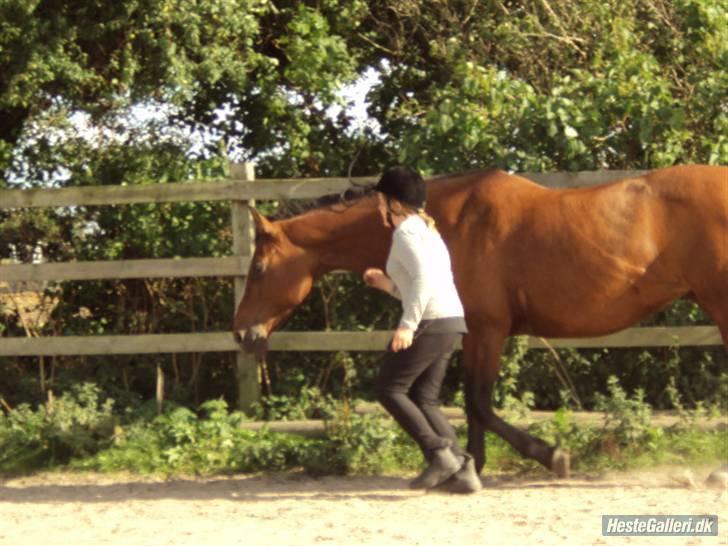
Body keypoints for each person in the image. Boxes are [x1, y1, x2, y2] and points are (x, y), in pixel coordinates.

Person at [363, 166, 481, 494]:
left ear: (396, 204)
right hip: (450, 320)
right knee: (425, 398)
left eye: (381, 201)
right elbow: (421, 282)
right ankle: (463, 470)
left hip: (430, 321)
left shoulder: (406, 233)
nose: (378, 208)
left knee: (389, 389)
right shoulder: (428, 231)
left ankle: (439, 453)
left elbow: (426, 281)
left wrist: (407, 325)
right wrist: (387, 285)